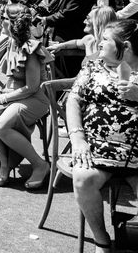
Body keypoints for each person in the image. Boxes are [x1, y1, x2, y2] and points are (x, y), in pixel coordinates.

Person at [66, 20, 138, 252]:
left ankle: (130, 236)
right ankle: (102, 240)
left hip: (135, 154)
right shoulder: (93, 66)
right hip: (96, 148)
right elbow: (73, 99)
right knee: (83, 179)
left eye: (106, 39)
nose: (99, 42)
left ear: (125, 46)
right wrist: (78, 139)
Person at [0, 3, 50, 189]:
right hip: (12, 93)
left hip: (34, 98)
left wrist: (4, 99)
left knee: (1, 125)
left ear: (10, 22)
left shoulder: (31, 48)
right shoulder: (11, 42)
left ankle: (40, 164)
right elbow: (3, 61)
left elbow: (32, 87)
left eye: (2, 17)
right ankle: (5, 163)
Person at [48, 6, 117, 63]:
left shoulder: (109, 47)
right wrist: (59, 46)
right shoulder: (89, 39)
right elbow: (76, 43)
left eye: (88, 19)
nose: (84, 22)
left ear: (98, 22)